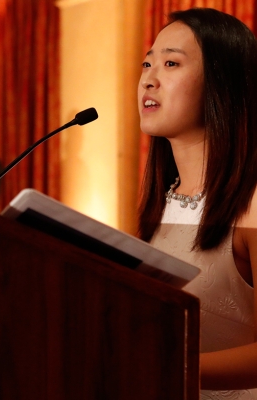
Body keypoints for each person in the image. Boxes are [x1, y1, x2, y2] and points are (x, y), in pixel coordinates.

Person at [137, 8, 257, 398]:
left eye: (171, 63)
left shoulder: (252, 200)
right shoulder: (163, 202)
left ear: (223, 83)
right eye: (147, 63)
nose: (149, 80)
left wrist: (169, 363)